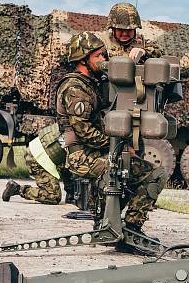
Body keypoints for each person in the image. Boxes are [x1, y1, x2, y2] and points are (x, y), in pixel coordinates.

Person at [55, 31, 167, 239]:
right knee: (144, 173)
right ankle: (121, 227)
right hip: (81, 155)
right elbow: (84, 132)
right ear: (83, 59)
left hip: (93, 152)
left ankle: (121, 225)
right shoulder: (75, 88)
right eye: (99, 56)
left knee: (139, 170)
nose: (104, 60)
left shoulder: (92, 84)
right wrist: (116, 146)